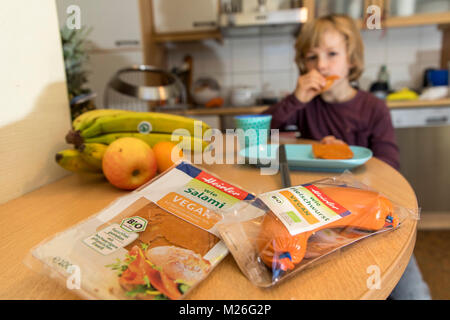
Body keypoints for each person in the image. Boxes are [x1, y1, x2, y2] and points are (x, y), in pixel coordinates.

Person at [264, 14, 431, 299]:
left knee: (411, 293)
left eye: (331, 54)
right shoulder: (305, 106)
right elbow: (258, 131)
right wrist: (296, 99)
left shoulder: (373, 108)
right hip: (319, 213)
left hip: (372, 212)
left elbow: (390, 164)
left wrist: (347, 152)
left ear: (351, 59)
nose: (321, 65)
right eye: (311, 57)